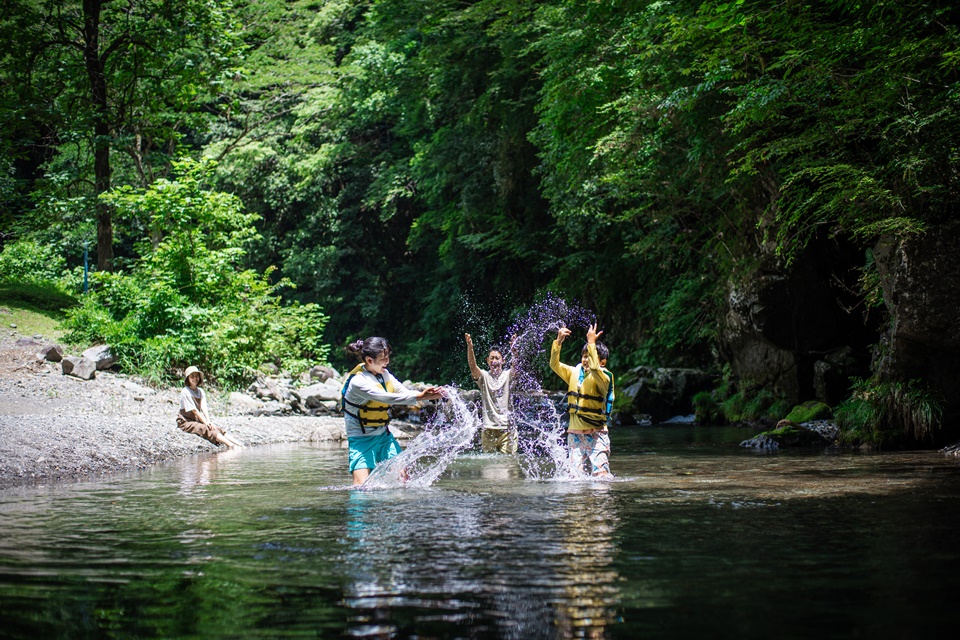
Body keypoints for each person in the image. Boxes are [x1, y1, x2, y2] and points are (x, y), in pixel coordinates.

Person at [341, 337, 444, 485]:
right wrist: (420, 396)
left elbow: (403, 392)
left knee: (403, 480)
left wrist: (430, 396)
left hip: (384, 436)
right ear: (369, 360)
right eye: (383, 358)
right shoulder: (358, 382)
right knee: (360, 487)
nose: (387, 361)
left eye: (388, 356)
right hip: (361, 439)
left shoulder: (385, 375)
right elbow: (387, 398)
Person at [549, 323, 615, 477]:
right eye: (584, 356)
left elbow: (594, 368)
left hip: (597, 435)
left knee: (601, 477)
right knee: (574, 477)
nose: (586, 360)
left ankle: (600, 501)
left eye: (590, 356)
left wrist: (592, 343)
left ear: (602, 362)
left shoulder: (604, 378)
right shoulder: (574, 372)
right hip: (575, 434)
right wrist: (558, 342)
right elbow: (554, 365)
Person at [465, 333, 517, 454]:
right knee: (489, 468)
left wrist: (514, 351)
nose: (494, 361)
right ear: (487, 361)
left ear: (503, 361)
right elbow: (473, 367)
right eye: (491, 358)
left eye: (497, 358)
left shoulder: (508, 375)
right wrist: (470, 347)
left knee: (508, 466)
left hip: (507, 430)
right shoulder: (484, 377)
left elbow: (516, 367)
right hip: (488, 430)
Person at [177, 366, 245, 449]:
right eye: (192, 376)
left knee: (216, 428)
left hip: (195, 419)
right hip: (185, 422)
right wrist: (206, 423)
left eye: (196, 376)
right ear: (188, 379)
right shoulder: (185, 391)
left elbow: (203, 406)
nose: (195, 378)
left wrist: (208, 421)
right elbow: (194, 410)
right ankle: (231, 446)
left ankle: (240, 445)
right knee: (206, 428)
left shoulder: (200, 391)